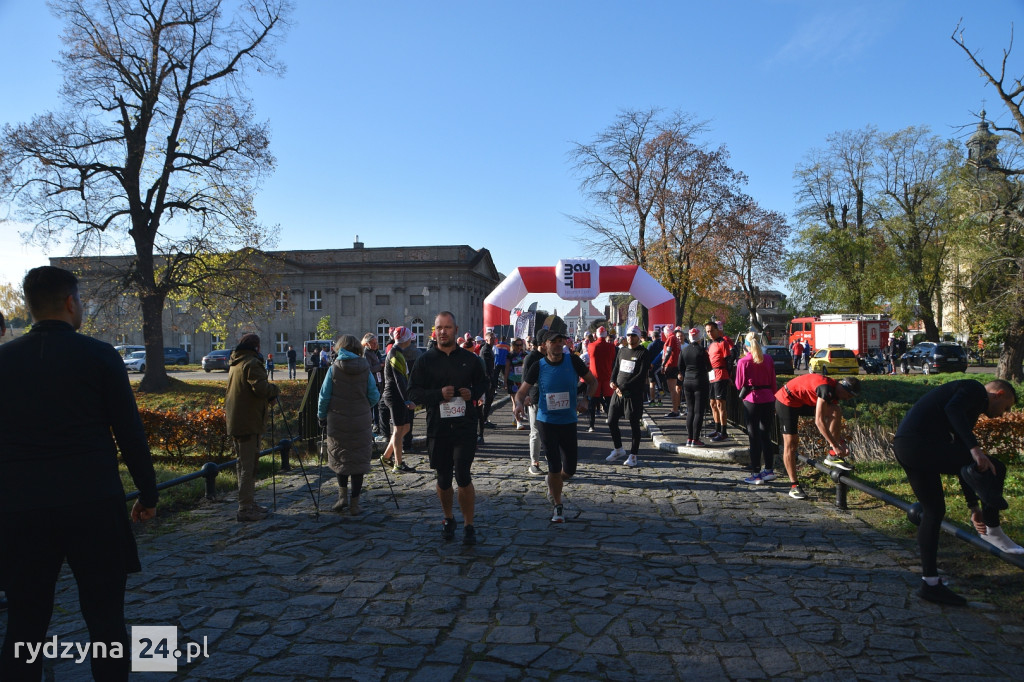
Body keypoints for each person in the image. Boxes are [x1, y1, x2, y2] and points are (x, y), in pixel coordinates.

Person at [0, 266, 158, 680]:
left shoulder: (4, 362)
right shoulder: (100, 355)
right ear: (71, 302)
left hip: (21, 507)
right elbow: (129, 432)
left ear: (31, 307)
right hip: (93, 502)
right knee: (106, 620)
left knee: (24, 625)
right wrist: (148, 493)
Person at [894, 379, 1021, 605]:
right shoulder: (974, 389)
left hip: (907, 447)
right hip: (921, 445)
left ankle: (930, 584)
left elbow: (964, 461)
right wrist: (976, 450)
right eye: (1006, 407)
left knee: (933, 512)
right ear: (998, 394)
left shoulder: (968, 408)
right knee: (995, 468)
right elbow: (952, 411)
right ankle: (993, 530)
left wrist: (973, 507)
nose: (1004, 414)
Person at [408, 311, 489, 545]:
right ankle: (448, 518)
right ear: (434, 331)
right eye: (439, 328)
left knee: (463, 475)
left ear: (456, 330)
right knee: (443, 478)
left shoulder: (470, 358)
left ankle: (469, 524)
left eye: (448, 327)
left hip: (464, 425)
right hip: (438, 426)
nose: (443, 332)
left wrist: (472, 393)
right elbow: (412, 392)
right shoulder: (425, 360)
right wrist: (437, 395)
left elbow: (484, 382)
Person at [513, 317, 598, 523]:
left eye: (561, 341)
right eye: (554, 341)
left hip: (568, 420)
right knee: (553, 465)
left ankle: (553, 482)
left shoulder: (574, 361)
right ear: (545, 344)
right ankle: (557, 506)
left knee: (569, 470)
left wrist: (586, 401)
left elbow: (592, 382)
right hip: (546, 421)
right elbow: (521, 392)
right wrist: (517, 404)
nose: (559, 344)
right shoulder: (538, 366)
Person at [318, 335, 380, 516]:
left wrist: (322, 416)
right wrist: (363, 406)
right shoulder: (365, 368)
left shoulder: (334, 369)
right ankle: (355, 504)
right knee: (359, 460)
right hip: (360, 419)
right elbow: (374, 395)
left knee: (340, 456)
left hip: (338, 419)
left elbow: (324, 396)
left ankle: (342, 497)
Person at [774, 373, 860, 499]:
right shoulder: (825, 389)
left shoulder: (835, 392)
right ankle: (794, 486)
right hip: (787, 400)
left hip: (803, 401)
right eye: (848, 395)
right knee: (791, 442)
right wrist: (837, 445)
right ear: (842, 387)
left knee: (836, 410)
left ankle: (831, 455)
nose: (847, 399)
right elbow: (818, 421)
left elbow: (829, 418)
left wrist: (839, 442)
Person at [226, 332, 280, 520]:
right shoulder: (252, 363)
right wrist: (274, 390)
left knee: (242, 464)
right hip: (248, 421)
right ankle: (245, 508)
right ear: (256, 347)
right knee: (249, 466)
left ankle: (248, 503)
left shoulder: (236, 363)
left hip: (237, 420)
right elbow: (261, 388)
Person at [735, 333, 778, 484]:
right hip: (768, 398)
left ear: (745, 345)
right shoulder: (768, 359)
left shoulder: (743, 361)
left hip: (752, 399)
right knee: (766, 435)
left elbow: (739, 384)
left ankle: (756, 472)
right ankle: (769, 469)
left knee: (754, 437)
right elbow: (773, 381)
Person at [605, 326, 650, 467]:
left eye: (633, 335)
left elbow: (641, 375)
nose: (630, 338)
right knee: (611, 421)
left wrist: (623, 387)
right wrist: (612, 381)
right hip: (617, 393)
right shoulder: (622, 350)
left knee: (634, 424)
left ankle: (633, 455)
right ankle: (618, 449)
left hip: (632, 394)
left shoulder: (643, 353)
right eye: (629, 335)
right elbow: (616, 367)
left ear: (638, 337)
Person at [380, 327, 417, 473]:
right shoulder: (395, 353)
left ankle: (386, 456)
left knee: (405, 427)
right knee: (398, 429)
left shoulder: (398, 352)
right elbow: (398, 379)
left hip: (397, 395)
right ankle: (398, 463)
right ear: (406, 339)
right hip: (395, 396)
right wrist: (406, 400)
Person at [679, 327, 712, 447]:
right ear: (699, 337)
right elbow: (709, 367)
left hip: (687, 381)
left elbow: (680, 366)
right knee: (699, 411)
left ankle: (689, 438)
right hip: (700, 381)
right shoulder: (702, 351)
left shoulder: (684, 350)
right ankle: (695, 439)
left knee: (690, 410)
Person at [705, 321, 734, 441]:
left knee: (720, 404)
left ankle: (723, 431)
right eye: (707, 331)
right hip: (712, 375)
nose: (710, 333)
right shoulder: (711, 345)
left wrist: (729, 376)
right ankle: (717, 429)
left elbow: (729, 361)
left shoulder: (723, 343)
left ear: (717, 330)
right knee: (712, 404)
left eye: (711, 330)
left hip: (721, 374)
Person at [586, 326, 616, 433]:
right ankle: (611, 422)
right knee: (609, 402)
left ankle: (591, 425)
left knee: (592, 403)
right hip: (607, 377)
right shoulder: (611, 347)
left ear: (596, 335)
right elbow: (612, 359)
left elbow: (589, 356)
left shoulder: (591, 346)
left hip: (595, 378)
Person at [362, 333, 386, 441]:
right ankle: (374, 424)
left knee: (378, 403)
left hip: (378, 380)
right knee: (374, 403)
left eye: (376, 342)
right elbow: (369, 369)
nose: (376, 344)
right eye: (374, 343)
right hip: (372, 381)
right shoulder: (366, 353)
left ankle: (377, 423)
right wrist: (380, 366)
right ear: (367, 343)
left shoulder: (374, 352)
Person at [505, 337, 528, 429]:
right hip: (512, 380)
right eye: (517, 345)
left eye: (520, 345)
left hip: (522, 380)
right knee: (515, 401)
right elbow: (506, 369)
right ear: (513, 345)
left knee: (522, 401)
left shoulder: (525, 354)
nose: (519, 347)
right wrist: (505, 382)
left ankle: (515, 416)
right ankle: (519, 422)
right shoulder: (510, 355)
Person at [661, 326, 682, 418]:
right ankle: (675, 408)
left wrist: (663, 364)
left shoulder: (670, 338)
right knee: (675, 388)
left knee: (672, 389)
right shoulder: (675, 338)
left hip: (671, 365)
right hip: (675, 364)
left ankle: (675, 410)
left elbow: (668, 352)